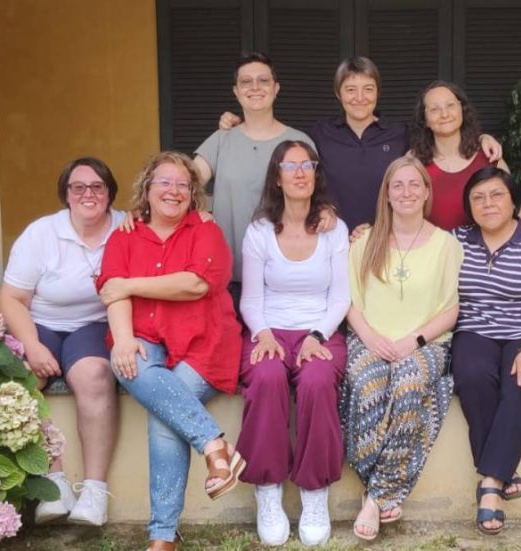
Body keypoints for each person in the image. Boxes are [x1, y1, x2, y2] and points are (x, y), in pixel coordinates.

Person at [97, 151, 245, 551]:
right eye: (163, 182)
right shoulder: (125, 235)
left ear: (193, 193)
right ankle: (215, 446)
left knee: (165, 418)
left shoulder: (205, 231)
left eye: (182, 184)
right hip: (143, 338)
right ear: (147, 189)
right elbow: (112, 290)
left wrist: (131, 284)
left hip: (205, 344)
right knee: (132, 367)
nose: (173, 191)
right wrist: (124, 340)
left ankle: (163, 535)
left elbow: (196, 284)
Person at [221, 57, 503, 229]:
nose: (360, 97)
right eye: (350, 89)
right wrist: (240, 122)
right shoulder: (318, 134)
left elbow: (444, 135)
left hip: (387, 243)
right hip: (331, 239)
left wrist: (481, 138)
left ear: (378, 93)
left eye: (368, 89)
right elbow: (276, 138)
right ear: (337, 93)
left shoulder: (400, 134)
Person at [341, 155, 462, 541]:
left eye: (414, 184)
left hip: (427, 341)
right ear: (387, 194)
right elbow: (349, 301)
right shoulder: (365, 241)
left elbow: (453, 307)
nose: (406, 192)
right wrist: (371, 338)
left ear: (427, 192)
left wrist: (414, 340)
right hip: (369, 337)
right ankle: (383, 488)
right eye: (398, 186)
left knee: (410, 384)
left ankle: (375, 497)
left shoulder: (446, 245)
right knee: (366, 385)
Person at [0, 157, 124, 526]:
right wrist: (33, 346)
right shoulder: (41, 233)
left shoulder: (126, 226)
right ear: (66, 194)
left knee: (94, 375)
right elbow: (11, 298)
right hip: (42, 322)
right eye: (78, 187)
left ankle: (95, 491)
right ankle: (53, 483)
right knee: (22, 379)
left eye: (98, 186)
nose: (89, 194)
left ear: (110, 194)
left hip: (94, 324)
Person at [236, 141, 350, 546]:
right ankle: (267, 492)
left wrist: (317, 335)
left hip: (320, 330)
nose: (299, 172)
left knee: (318, 383)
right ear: (277, 176)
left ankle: (314, 493)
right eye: (290, 165)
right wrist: (263, 333)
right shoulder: (260, 231)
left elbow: (340, 298)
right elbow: (250, 299)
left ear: (316, 174)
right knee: (266, 378)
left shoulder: (335, 228)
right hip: (269, 330)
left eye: (307, 165)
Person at [450, 167, 521, 535]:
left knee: (520, 382)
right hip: (475, 330)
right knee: (471, 376)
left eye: (497, 195)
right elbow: (412, 244)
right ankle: (505, 472)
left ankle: (490, 488)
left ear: (513, 201)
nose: (488, 204)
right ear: (469, 206)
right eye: (478, 198)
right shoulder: (455, 240)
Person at [193, 52, 317, 306]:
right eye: (246, 82)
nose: (255, 87)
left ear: (276, 88)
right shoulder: (221, 140)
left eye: (263, 80)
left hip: (284, 278)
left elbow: (318, 196)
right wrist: (198, 212)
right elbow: (183, 185)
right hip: (229, 277)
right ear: (236, 91)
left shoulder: (299, 143)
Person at [409, 80, 521, 230]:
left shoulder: (489, 157)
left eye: (450, 105)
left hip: (484, 252)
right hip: (435, 251)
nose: (444, 114)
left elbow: (517, 210)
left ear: (462, 110)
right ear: (424, 119)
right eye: (434, 109)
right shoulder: (414, 161)